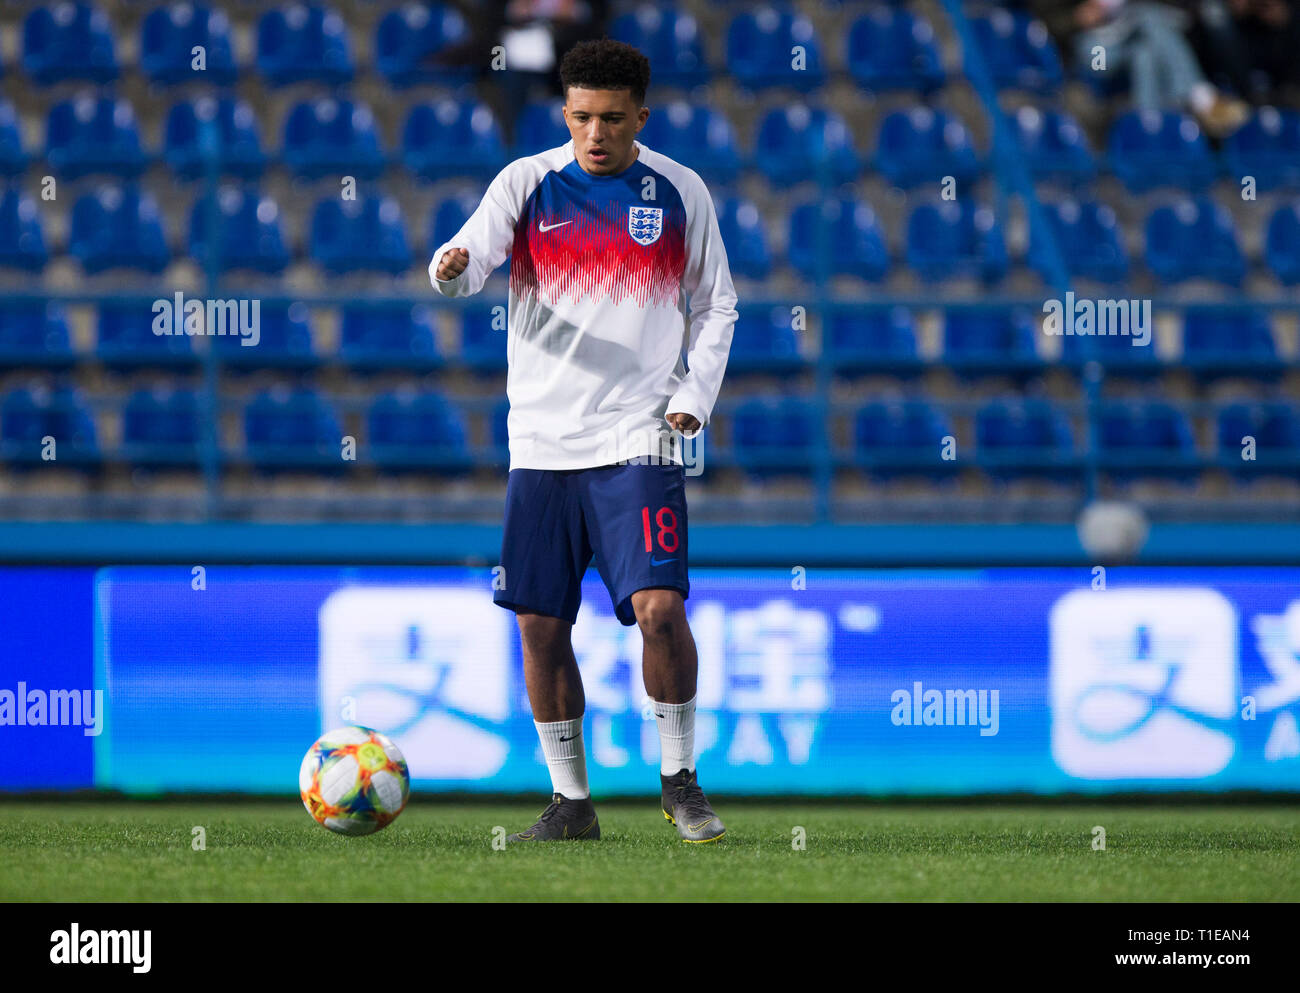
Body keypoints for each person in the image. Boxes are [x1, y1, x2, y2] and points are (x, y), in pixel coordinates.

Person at [429, 39, 737, 843]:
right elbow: (467, 266)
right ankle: (572, 803)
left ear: (641, 115)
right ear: (564, 112)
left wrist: (691, 401)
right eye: (580, 117)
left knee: (661, 607)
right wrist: (452, 265)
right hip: (540, 441)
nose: (594, 133)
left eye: (610, 118)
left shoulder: (680, 192)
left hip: (639, 436)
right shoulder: (526, 183)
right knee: (539, 623)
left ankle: (679, 780)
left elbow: (717, 307)